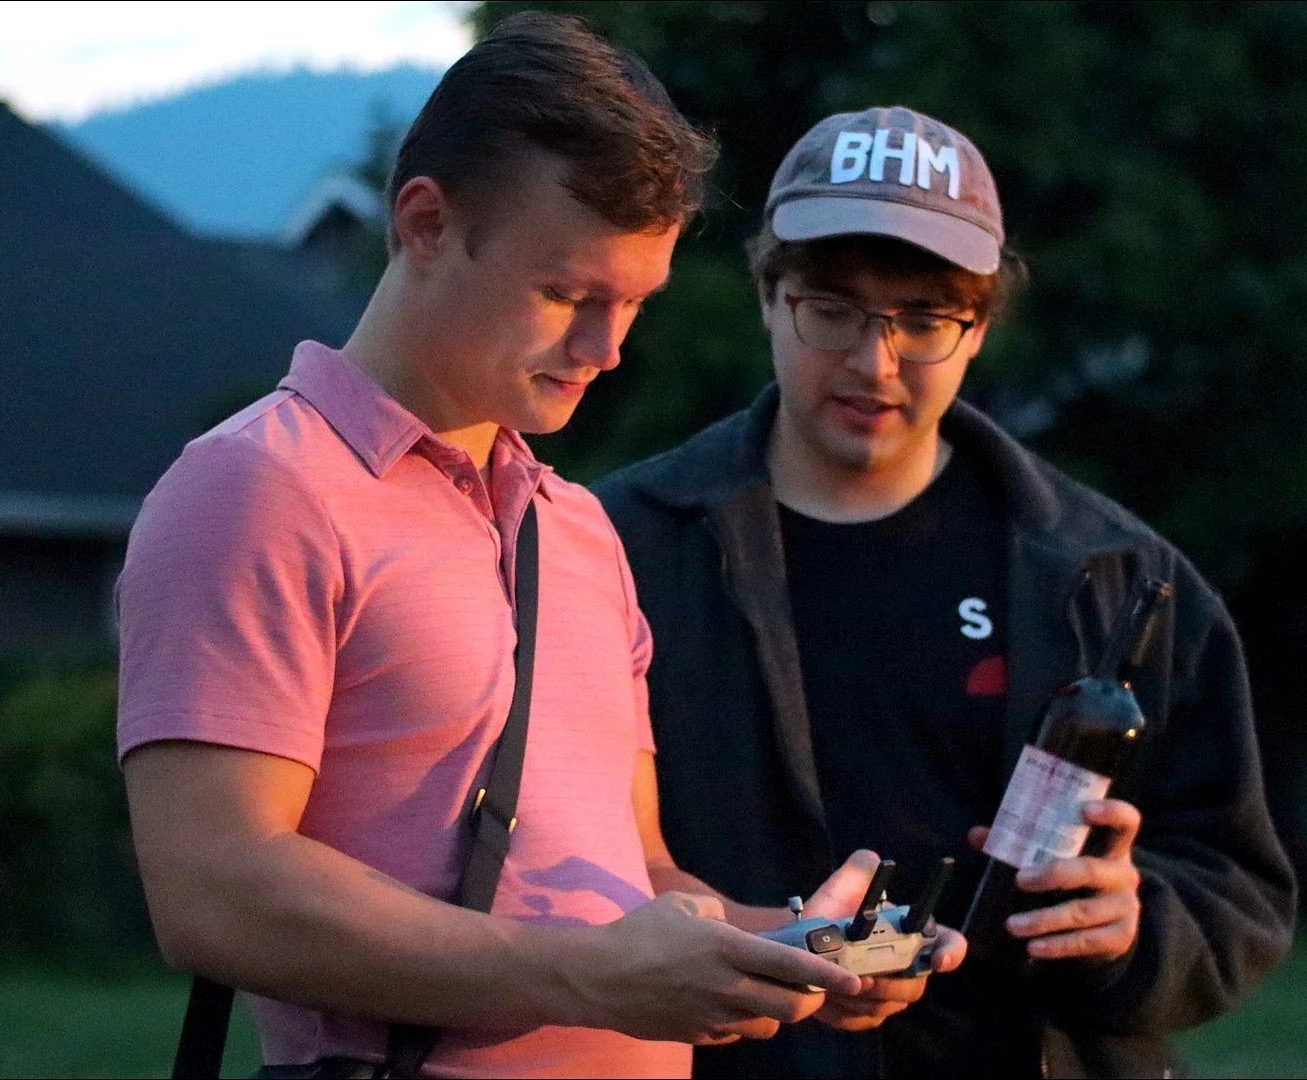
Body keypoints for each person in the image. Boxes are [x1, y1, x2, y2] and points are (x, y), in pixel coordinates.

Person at [115, 16, 891, 1078]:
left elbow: (635, 878)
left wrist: (788, 951)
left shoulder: (575, 528)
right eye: (569, 294)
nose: (607, 349)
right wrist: (583, 977)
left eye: (632, 306)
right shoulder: (258, 487)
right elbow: (214, 891)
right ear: (426, 223)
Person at [593, 106, 1298, 1078]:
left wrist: (1134, 923)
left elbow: (1237, 885)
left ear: (980, 327)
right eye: (832, 308)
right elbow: (541, 854)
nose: (874, 361)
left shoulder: (1118, 579)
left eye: (923, 319)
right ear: (768, 295)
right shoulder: (617, 546)